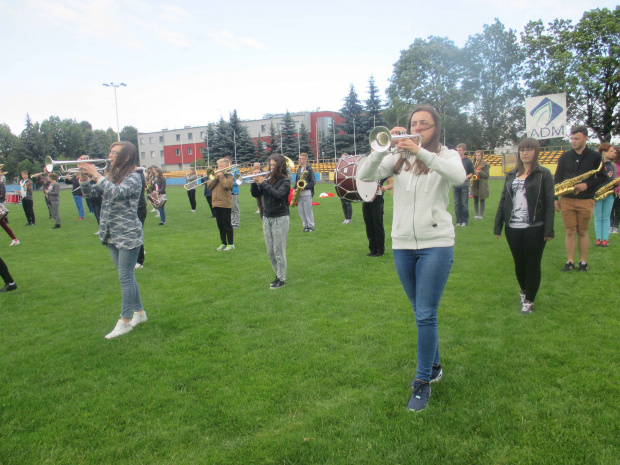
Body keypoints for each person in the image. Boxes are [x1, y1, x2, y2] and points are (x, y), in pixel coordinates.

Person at [358, 104, 466, 412]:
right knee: (419, 310)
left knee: (425, 313)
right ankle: (433, 367)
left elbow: (458, 178)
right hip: (402, 244)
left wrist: (420, 151)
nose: (417, 128)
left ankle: (421, 382)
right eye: (413, 123)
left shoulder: (445, 155)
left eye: (424, 124)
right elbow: (365, 174)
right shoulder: (397, 157)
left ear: (436, 128)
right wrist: (382, 148)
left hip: (437, 243)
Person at [79, 142, 147, 339]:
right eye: (110, 151)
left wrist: (96, 174)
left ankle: (125, 321)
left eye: (115, 153)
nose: (110, 155)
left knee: (125, 277)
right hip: (111, 232)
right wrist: (84, 178)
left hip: (128, 234)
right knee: (127, 276)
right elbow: (92, 195)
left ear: (126, 157)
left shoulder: (134, 177)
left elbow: (116, 193)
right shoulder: (111, 176)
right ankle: (140, 313)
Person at [494, 138, 555, 314]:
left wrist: (548, 229)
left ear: (536, 152)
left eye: (529, 149)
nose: (525, 153)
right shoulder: (511, 174)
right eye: (522, 150)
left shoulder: (543, 174)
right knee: (519, 263)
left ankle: (529, 300)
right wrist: (498, 225)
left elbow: (550, 204)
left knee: (532, 263)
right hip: (513, 227)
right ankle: (524, 290)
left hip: (535, 227)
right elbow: (503, 201)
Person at [554, 125, 607, 272]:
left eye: (576, 138)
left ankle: (583, 262)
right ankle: (570, 262)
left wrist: (587, 185)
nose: (573, 141)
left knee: (583, 231)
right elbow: (557, 178)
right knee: (570, 230)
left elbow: (602, 177)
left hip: (585, 199)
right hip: (567, 198)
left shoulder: (595, 157)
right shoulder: (565, 156)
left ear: (586, 138)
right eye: (571, 138)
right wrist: (555, 198)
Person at [251, 155, 291, 289]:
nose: (271, 167)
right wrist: (254, 182)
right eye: (270, 165)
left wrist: (263, 183)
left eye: (274, 165)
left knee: (278, 251)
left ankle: (281, 278)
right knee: (270, 252)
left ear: (280, 166)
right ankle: (278, 275)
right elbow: (256, 194)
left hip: (280, 218)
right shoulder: (267, 179)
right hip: (267, 217)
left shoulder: (285, 180)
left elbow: (278, 195)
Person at [206, 157, 235, 251]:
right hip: (216, 203)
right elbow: (209, 186)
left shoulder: (229, 176)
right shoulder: (215, 176)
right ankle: (223, 243)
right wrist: (216, 177)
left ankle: (231, 244)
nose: (218, 167)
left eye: (220, 166)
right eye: (218, 165)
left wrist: (221, 176)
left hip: (225, 203)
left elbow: (227, 185)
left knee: (227, 224)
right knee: (220, 225)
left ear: (226, 167)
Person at [593, 143, 617, 247]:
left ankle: (605, 240)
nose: (613, 153)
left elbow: (614, 179)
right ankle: (598, 239)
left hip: (610, 194)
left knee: (606, 217)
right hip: (598, 194)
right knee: (598, 217)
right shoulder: (597, 164)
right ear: (604, 152)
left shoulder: (613, 165)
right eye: (611, 151)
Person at [363, 177, 392, 257]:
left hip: (377, 198)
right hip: (366, 198)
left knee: (377, 224)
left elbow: (391, 184)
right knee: (369, 224)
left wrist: (386, 187)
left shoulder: (383, 170)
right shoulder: (367, 170)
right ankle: (372, 249)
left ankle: (380, 250)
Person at [453, 144, 474, 226]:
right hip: (456, 184)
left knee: (464, 204)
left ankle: (465, 220)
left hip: (464, 184)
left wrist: (465, 177)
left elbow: (472, 173)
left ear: (464, 151)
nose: (458, 152)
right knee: (457, 204)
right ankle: (458, 221)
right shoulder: (454, 160)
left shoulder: (468, 161)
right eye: (457, 150)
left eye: (460, 150)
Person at [296, 152, 316, 232]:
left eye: (301, 158)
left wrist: (305, 187)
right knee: (301, 210)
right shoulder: (299, 169)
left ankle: (311, 226)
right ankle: (305, 225)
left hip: (307, 192)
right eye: (299, 158)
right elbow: (297, 180)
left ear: (305, 159)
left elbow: (313, 182)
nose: (300, 160)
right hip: (299, 193)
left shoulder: (309, 169)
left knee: (308, 210)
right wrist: (295, 189)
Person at [470, 150, 490, 220]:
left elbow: (487, 175)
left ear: (481, 156)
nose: (477, 157)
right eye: (476, 155)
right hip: (475, 183)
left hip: (482, 183)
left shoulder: (485, 164)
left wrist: (480, 172)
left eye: (479, 155)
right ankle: (476, 214)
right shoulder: (473, 164)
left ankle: (481, 215)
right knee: (475, 199)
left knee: (482, 199)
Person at [135, 167, 148, 269]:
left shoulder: (138, 176)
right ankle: (139, 254)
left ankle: (139, 260)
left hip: (139, 207)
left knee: (137, 233)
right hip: (136, 207)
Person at [340, 153, 354, 224]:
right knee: (343, 203)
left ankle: (349, 218)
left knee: (348, 203)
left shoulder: (350, 166)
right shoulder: (340, 167)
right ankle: (346, 218)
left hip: (348, 187)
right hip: (341, 186)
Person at [610, 146, 620, 234]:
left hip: (619, 191)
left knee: (618, 209)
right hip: (611, 190)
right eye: (612, 152)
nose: (614, 154)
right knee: (610, 209)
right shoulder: (609, 164)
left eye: (615, 152)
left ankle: (616, 227)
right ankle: (611, 226)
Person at [231, 164, 240, 228]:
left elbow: (238, 181)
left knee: (235, 208)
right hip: (228, 192)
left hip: (234, 191)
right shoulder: (226, 170)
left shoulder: (236, 170)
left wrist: (230, 183)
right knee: (230, 209)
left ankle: (236, 223)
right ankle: (232, 222)